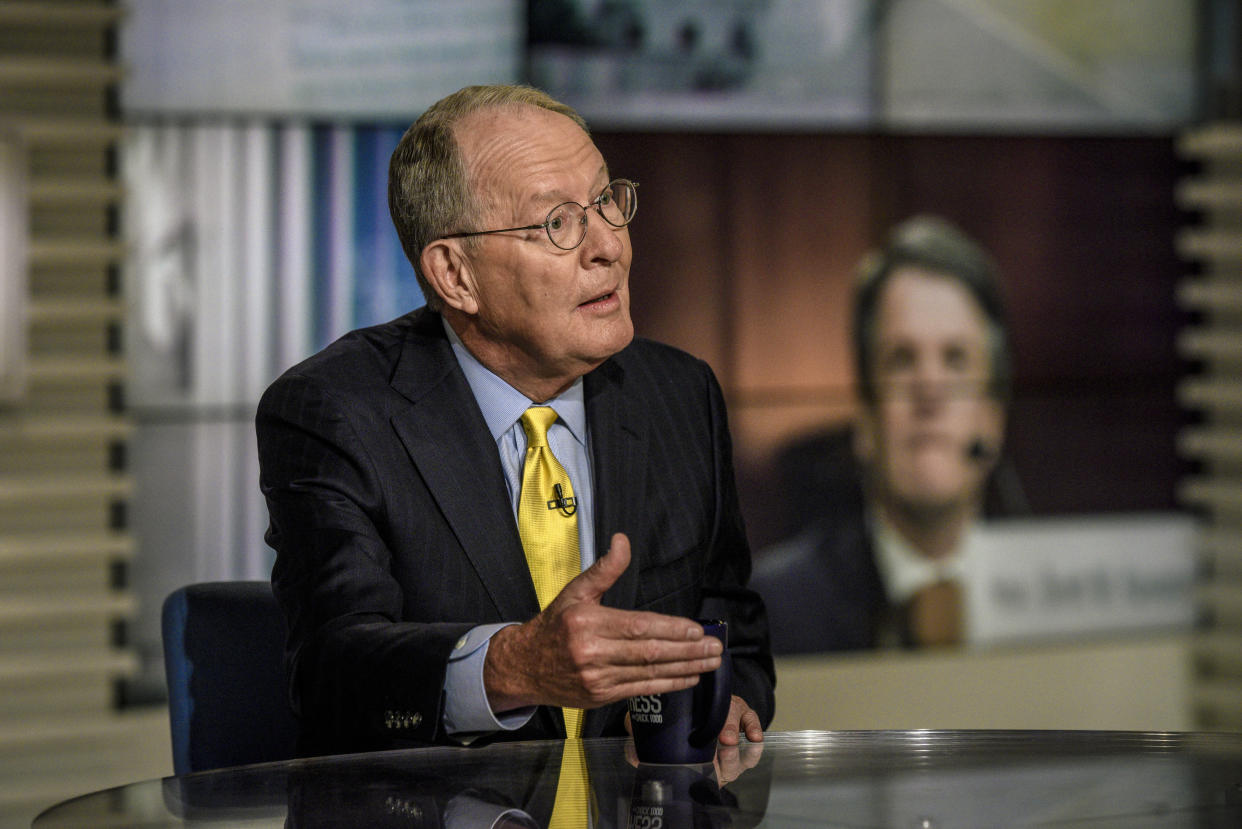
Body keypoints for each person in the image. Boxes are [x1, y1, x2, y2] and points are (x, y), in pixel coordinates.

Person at [256, 84, 774, 756]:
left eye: (606, 201)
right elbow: (333, 668)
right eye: (559, 223)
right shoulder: (337, 413)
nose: (608, 247)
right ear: (454, 274)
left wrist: (728, 702)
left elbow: (734, 626)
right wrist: (514, 665)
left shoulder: (678, 394)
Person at [751, 215, 1022, 653]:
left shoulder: (1057, 591)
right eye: (901, 359)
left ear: (992, 416)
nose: (929, 391)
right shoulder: (774, 610)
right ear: (866, 418)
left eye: (955, 360)